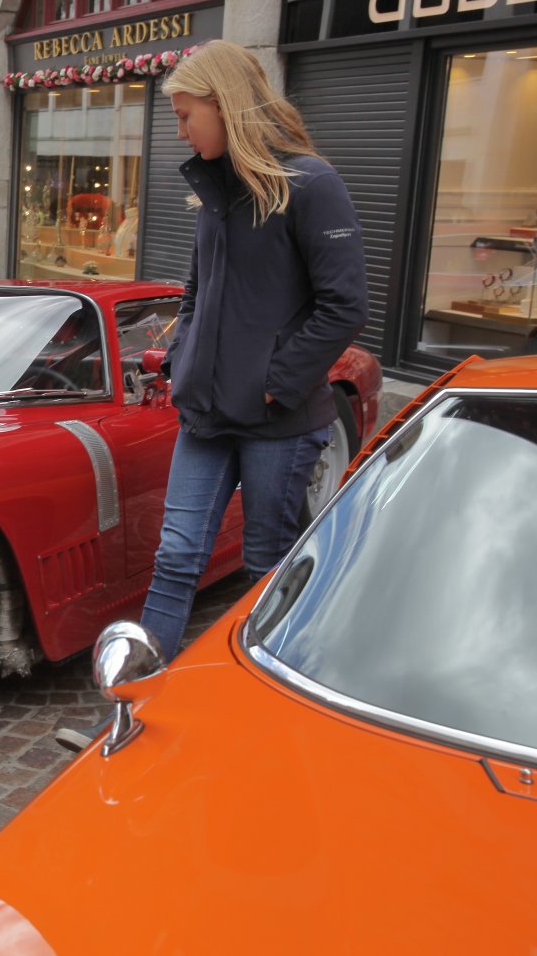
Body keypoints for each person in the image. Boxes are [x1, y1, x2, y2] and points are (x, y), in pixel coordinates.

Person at [137, 40, 368, 660]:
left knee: (266, 563)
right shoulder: (216, 189)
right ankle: (137, 695)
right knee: (176, 555)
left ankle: (270, 687)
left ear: (226, 104)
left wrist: (274, 383)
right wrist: (182, 358)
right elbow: (196, 292)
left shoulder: (311, 183)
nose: (180, 131)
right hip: (205, 413)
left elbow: (345, 305)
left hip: (278, 422)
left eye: (186, 115)